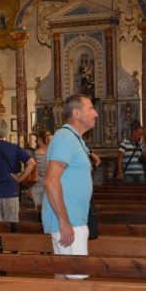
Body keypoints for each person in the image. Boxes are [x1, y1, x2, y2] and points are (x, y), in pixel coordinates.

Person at [42, 94, 98, 262]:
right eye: (91, 109)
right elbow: (51, 181)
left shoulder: (75, 139)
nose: (95, 114)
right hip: (69, 222)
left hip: (74, 219)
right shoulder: (65, 138)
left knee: (66, 278)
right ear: (77, 113)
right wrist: (64, 222)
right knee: (76, 280)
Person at [30, 130, 52, 210]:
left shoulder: (36, 153)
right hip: (50, 186)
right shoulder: (53, 153)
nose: (37, 140)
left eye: (38, 138)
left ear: (40, 139)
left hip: (37, 186)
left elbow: (34, 173)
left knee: (38, 212)